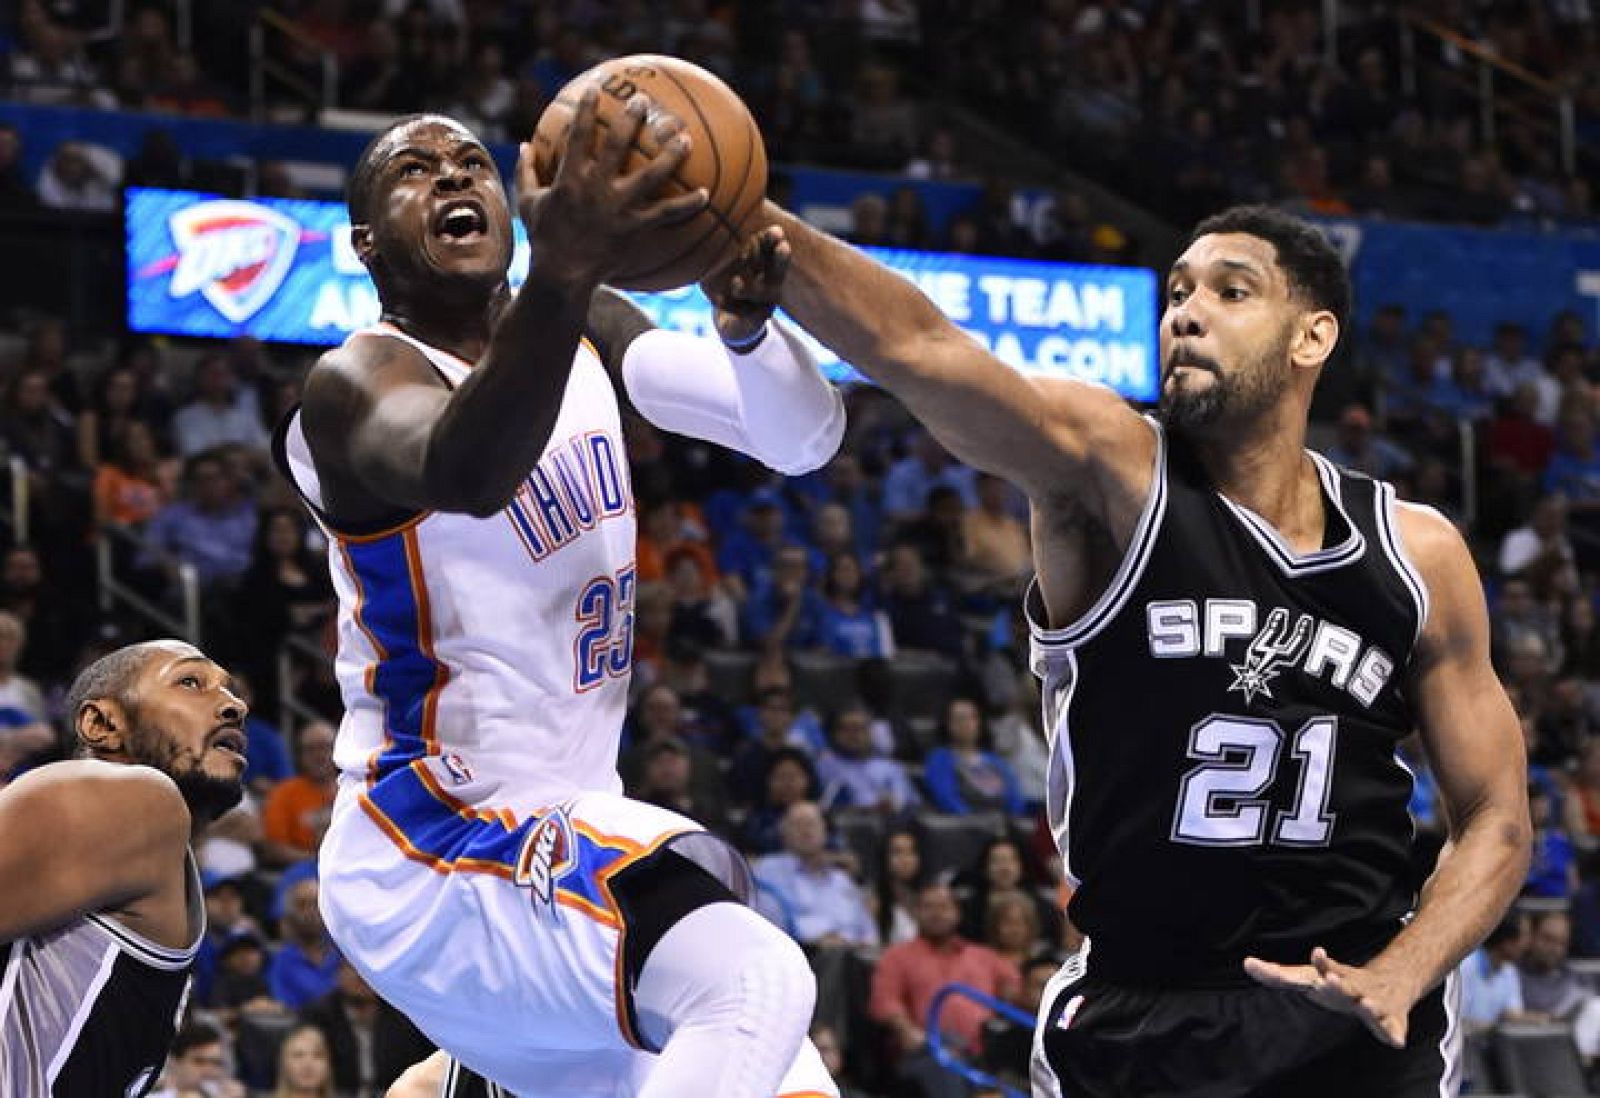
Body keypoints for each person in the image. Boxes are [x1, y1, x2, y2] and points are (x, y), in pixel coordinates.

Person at [770, 201, 1530, 1095]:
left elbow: (1498, 818)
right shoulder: (1110, 470)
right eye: (1177, 291)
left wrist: (1405, 970)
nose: (1186, 310)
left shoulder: (1417, 552)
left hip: (1351, 1015)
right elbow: (926, 351)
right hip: (1143, 1020)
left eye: (1230, 290)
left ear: (1311, 336)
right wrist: (758, 234)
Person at [277, 100, 845, 1098]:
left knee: (793, 1078)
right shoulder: (354, 383)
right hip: (433, 843)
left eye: (471, 161)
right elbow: (467, 466)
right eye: (417, 169)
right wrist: (566, 269)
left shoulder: (586, 328)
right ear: (365, 243)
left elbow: (801, 440)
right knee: (752, 979)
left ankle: (467, 1077)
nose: (454, 177)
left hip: (553, 838)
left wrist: (748, 334)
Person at [0, 639, 248, 1094]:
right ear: (101, 723)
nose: (234, 705)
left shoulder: (160, 859)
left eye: (230, 690)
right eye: (191, 682)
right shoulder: (142, 797)